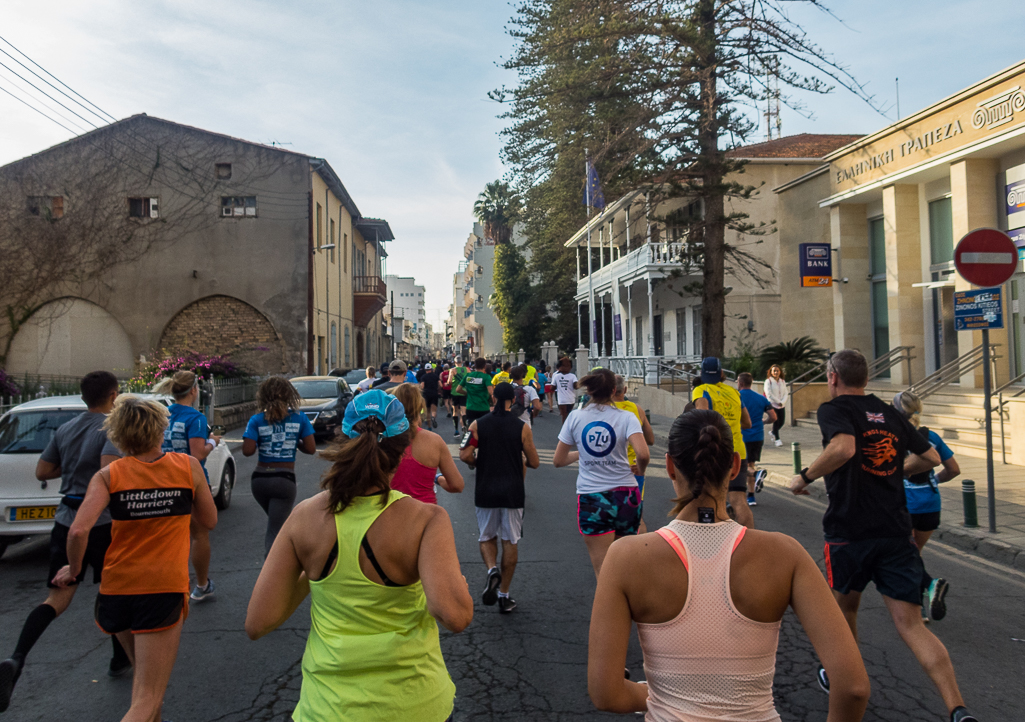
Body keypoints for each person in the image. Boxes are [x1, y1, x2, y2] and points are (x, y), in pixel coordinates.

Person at [587, 409, 870, 720]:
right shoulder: (785, 553)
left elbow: (606, 693)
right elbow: (853, 687)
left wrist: (664, 694)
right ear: (735, 465)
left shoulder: (626, 557)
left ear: (669, 466)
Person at [244, 390, 473, 721]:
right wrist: (459, 585)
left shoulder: (304, 517)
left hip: (327, 709)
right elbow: (455, 615)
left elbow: (257, 622)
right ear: (404, 447)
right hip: (414, 706)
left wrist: (318, 567)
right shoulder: (426, 520)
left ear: (343, 439)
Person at [789, 350, 979, 722]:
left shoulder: (836, 409)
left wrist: (805, 477)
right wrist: (892, 470)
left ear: (832, 377)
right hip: (895, 529)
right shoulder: (890, 413)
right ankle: (958, 709)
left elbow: (843, 447)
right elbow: (931, 459)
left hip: (849, 530)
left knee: (845, 606)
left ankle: (846, 676)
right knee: (910, 624)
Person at [53, 395, 218, 722]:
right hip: (160, 588)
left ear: (118, 434)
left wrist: (73, 568)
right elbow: (209, 521)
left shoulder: (109, 475)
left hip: (116, 590)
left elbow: (77, 531)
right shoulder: (187, 467)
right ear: (161, 429)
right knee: (146, 699)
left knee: (145, 688)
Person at [0, 372, 130, 713]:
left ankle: (16, 658)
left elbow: (43, 472)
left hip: (64, 518)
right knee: (110, 590)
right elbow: (108, 474)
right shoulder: (111, 428)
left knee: (58, 595)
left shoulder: (66, 428)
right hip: (99, 521)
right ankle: (120, 659)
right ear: (114, 395)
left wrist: (71, 468)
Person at [554, 369, 649, 577]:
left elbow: (558, 460)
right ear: (614, 390)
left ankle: (610, 607)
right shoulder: (627, 417)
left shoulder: (575, 417)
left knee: (603, 569)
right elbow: (643, 453)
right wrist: (640, 470)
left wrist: (584, 452)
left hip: (593, 497)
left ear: (589, 391)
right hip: (626, 494)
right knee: (627, 564)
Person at [459, 383, 540, 613]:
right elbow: (534, 462)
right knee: (510, 540)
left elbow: (464, 454)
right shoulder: (522, 427)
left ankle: (491, 569)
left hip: (486, 489)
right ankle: (504, 595)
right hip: (513, 490)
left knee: (486, 536)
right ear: (513, 401)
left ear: (493, 397)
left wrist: (478, 462)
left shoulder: (477, 425)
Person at [152, 371, 221, 602]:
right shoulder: (196, 418)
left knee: (168, 534)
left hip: (162, 479)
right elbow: (197, 454)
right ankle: (201, 585)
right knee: (199, 534)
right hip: (191, 481)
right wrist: (213, 441)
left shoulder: (162, 414)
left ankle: (164, 583)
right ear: (193, 391)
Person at [893, 390, 960, 623]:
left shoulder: (894, 437)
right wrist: (934, 480)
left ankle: (928, 590)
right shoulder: (931, 437)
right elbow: (954, 469)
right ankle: (921, 600)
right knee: (914, 554)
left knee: (906, 556)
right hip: (931, 504)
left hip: (905, 505)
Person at [242, 377, 317, 554]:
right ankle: (273, 571)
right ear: (291, 395)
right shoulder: (300, 419)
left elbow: (247, 450)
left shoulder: (256, 420)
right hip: (284, 479)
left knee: (277, 522)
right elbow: (311, 448)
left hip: (259, 480)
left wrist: (263, 440)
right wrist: (292, 442)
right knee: (276, 530)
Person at [692, 358, 753, 529]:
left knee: (711, 498)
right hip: (738, 452)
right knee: (739, 500)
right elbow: (747, 423)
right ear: (721, 373)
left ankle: (714, 542)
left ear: (702, 375)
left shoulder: (701, 390)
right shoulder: (734, 392)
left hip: (716, 450)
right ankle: (749, 543)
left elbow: (702, 416)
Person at [389, 383, 464, 503]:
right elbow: (457, 485)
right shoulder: (434, 441)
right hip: (426, 513)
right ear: (420, 408)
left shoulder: (382, 439)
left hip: (391, 513)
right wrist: (438, 478)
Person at [611, 375, 655, 534]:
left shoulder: (602, 411)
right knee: (637, 518)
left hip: (609, 470)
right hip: (634, 469)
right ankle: (639, 553)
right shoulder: (636, 409)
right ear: (625, 390)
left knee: (611, 517)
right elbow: (650, 440)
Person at [738, 372, 776, 508]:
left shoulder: (737, 397)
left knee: (739, 466)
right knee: (750, 464)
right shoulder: (761, 398)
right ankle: (751, 496)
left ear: (741, 383)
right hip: (757, 436)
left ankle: (741, 494)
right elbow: (773, 417)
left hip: (741, 437)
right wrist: (764, 422)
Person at [456, 357, 493, 426]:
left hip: (471, 408)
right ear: (484, 366)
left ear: (475, 366)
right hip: (483, 408)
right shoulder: (486, 377)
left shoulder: (468, 376)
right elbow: (491, 392)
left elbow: (458, 389)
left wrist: (466, 393)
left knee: (472, 429)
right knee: (483, 429)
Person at [764, 364, 788, 447]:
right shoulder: (768, 381)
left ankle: (773, 432)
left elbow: (786, 393)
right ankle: (777, 439)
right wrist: (778, 401)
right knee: (776, 422)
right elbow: (769, 394)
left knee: (782, 422)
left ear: (780, 372)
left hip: (781, 405)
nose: (776, 372)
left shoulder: (782, 381)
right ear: (771, 372)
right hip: (773, 404)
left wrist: (783, 402)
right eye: (774, 371)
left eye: (777, 370)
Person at [551, 357, 579, 423]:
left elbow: (552, 388)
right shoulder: (573, 376)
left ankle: (565, 429)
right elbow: (576, 386)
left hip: (562, 400)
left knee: (564, 415)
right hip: (571, 399)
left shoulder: (556, 376)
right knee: (569, 415)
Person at [449, 358, 469, 438]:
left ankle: (456, 431)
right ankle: (465, 429)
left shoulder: (453, 370)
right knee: (464, 412)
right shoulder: (467, 369)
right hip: (464, 392)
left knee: (455, 411)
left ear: (455, 362)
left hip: (455, 392)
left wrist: (447, 384)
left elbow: (449, 381)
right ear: (462, 362)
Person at [419, 364, 442, 429]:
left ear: (425, 370)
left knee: (428, 411)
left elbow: (422, 386)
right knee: (434, 410)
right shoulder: (435, 376)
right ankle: (433, 417)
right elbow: (440, 385)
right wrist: (438, 389)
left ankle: (429, 427)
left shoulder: (423, 377)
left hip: (426, 394)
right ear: (431, 369)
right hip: (434, 394)